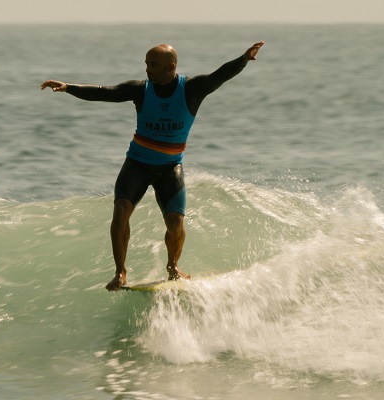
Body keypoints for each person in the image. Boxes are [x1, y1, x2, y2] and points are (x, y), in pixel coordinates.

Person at [41, 41, 265, 291]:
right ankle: (120, 272)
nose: (147, 69)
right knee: (121, 211)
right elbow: (106, 92)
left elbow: (220, 75)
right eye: (146, 64)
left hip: (170, 167)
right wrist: (68, 87)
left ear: (170, 66)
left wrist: (243, 59)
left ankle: (173, 267)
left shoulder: (192, 89)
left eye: (153, 65)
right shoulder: (140, 90)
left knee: (176, 224)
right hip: (137, 163)